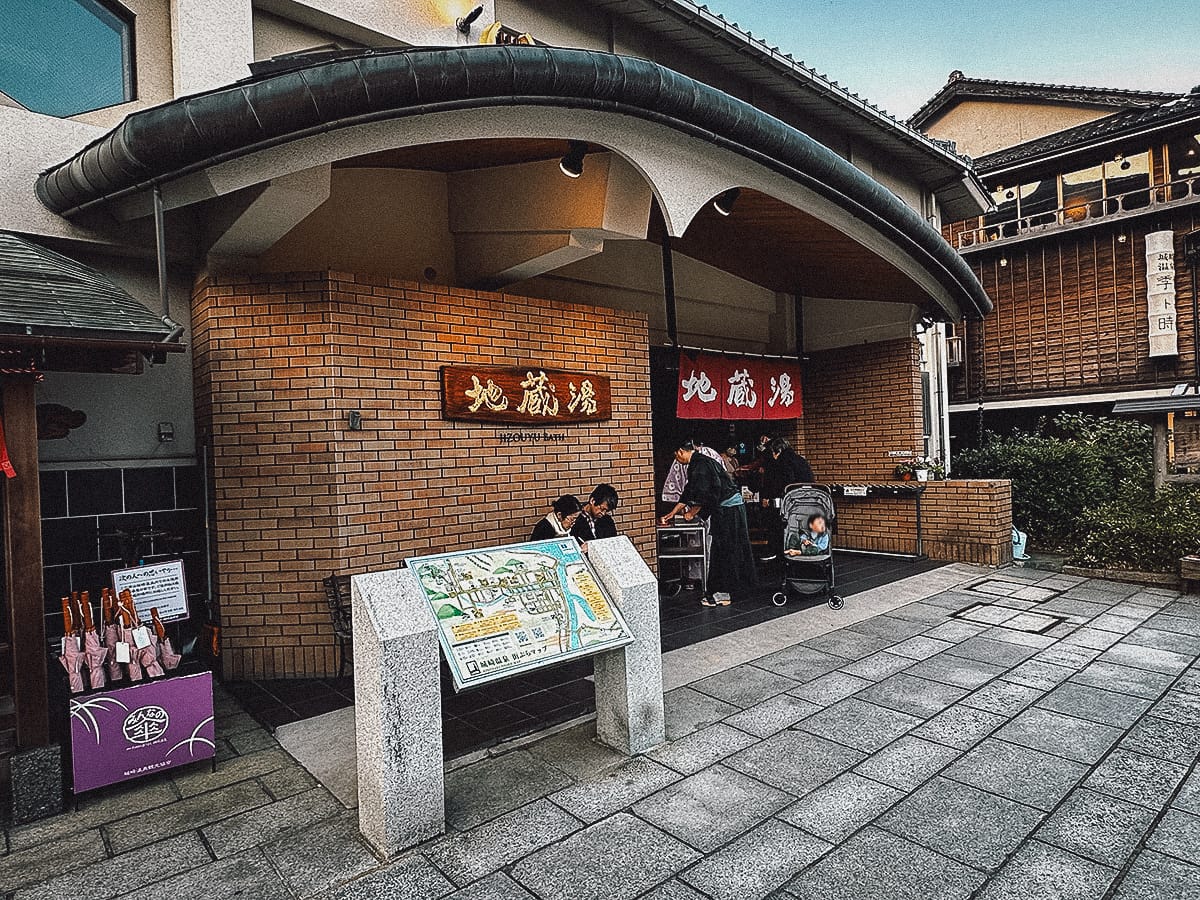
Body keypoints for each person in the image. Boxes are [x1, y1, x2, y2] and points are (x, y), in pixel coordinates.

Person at [659, 441, 757, 607]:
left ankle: (723, 594)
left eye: (676, 456)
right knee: (723, 551)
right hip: (727, 509)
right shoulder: (698, 462)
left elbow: (707, 495)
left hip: (729, 510)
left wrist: (692, 513)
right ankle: (723, 592)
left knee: (725, 552)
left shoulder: (701, 465)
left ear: (681, 452)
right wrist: (672, 514)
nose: (677, 459)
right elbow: (689, 491)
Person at [761, 438, 815, 507]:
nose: (773, 456)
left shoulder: (781, 462)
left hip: (793, 500)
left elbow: (781, 483)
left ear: (779, 451)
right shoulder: (801, 459)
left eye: (773, 452)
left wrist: (768, 498)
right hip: (809, 497)